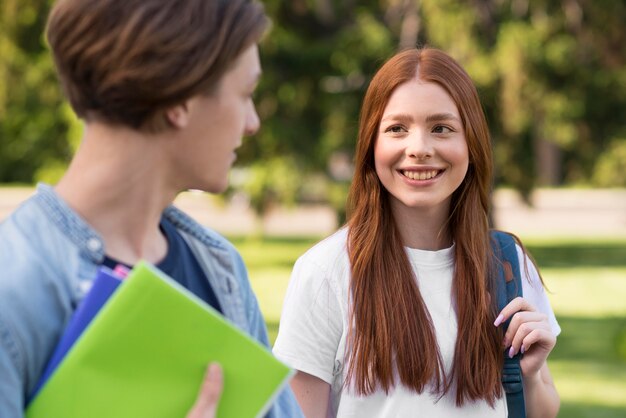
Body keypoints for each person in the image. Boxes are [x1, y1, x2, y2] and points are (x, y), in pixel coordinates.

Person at [0, 0, 303, 417]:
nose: (252, 123)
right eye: (246, 94)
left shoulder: (220, 270)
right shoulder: (12, 288)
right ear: (179, 99)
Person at [273, 47, 561, 418]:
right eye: (397, 129)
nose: (419, 149)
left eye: (441, 128)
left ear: (470, 143)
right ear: (371, 144)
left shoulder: (506, 263)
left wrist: (529, 375)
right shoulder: (326, 271)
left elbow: (542, 410)